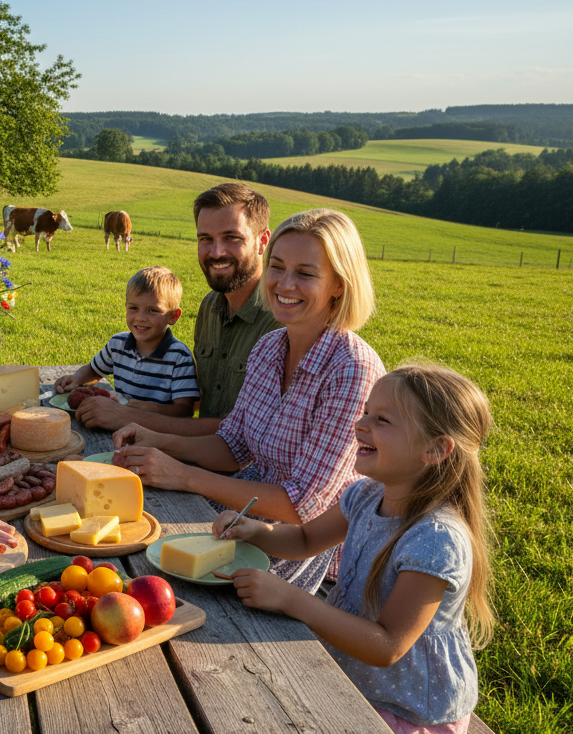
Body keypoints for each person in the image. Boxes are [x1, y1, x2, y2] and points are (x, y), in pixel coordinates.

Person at [113, 208, 385, 592]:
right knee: (132, 550)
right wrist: (154, 439)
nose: (284, 284)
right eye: (276, 267)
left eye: (305, 273)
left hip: (312, 552)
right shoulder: (270, 347)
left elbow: (302, 506)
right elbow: (233, 445)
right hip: (248, 516)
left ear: (339, 284)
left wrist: (184, 475)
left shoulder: (351, 368)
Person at [213, 363, 495, 733]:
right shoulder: (365, 496)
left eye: (382, 420)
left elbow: (388, 645)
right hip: (355, 678)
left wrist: (290, 598)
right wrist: (257, 531)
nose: (360, 424)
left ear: (435, 449)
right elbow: (304, 540)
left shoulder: (436, 539)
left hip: (408, 710)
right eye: (365, 411)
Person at [66, 183, 280, 434]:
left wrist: (127, 416)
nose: (216, 252)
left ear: (262, 241)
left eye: (231, 237)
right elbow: (199, 401)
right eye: (205, 239)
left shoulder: (280, 321)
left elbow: (247, 434)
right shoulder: (210, 306)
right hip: (194, 448)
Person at [53, 266, 199, 422]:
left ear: (173, 316)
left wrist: (151, 409)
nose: (140, 317)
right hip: (118, 422)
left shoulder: (179, 356)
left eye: (152, 310)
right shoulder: (118, 344)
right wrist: (76, 379)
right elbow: (94, 370)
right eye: (133, 308)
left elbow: (184, 411)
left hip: (156, 431)